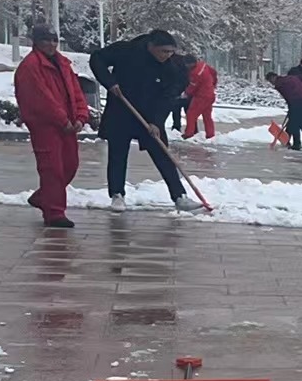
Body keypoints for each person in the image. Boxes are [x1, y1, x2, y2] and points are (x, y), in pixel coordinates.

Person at [90, 28, 191, 212]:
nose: (167, 55)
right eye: (164, 51)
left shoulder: (174, 67)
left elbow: (169, 97)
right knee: (118, 154)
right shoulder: (126, 51)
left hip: (150, 115)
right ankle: (117, 195)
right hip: (122, 110)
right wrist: (110, 82)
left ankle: (179, 196)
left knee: (162, 153)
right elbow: (97, 59)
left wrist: (157, 121)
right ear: (151, 46)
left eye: (171, 51)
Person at [14, 24, 90, 229]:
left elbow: (76, 92)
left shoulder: (63, 63)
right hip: (45, 126)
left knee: (70, 165)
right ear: (36, 42)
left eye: (54, 40)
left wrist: (81, 116)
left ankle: (43, 197)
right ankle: (55, 213)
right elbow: (41, 99)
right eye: (46, 40)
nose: (51, 44)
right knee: (52, 168)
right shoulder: (30, 67)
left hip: (68, 125)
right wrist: (62, 120)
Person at [264, 71, 302, 150]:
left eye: (270, 81)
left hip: (298, 102)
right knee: (301, 123)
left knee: (295, 123)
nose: (271, 83)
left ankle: (297, 144)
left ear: (273, 77)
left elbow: (288, 96)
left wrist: (291, 108)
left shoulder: (280, 84)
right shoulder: (289, 78)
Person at [181, 55, 218, 139]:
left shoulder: (195, 73)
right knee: (207, 115)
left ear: (189, 63)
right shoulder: (203, 65)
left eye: (186, 64)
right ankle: (210, 134)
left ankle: (189, 133)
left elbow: (193, 86)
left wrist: (186, 93)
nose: (186, 66)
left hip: (201, 97)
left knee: (191, 114)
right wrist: (213, 84)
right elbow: (214, 72)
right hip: (210, 94)